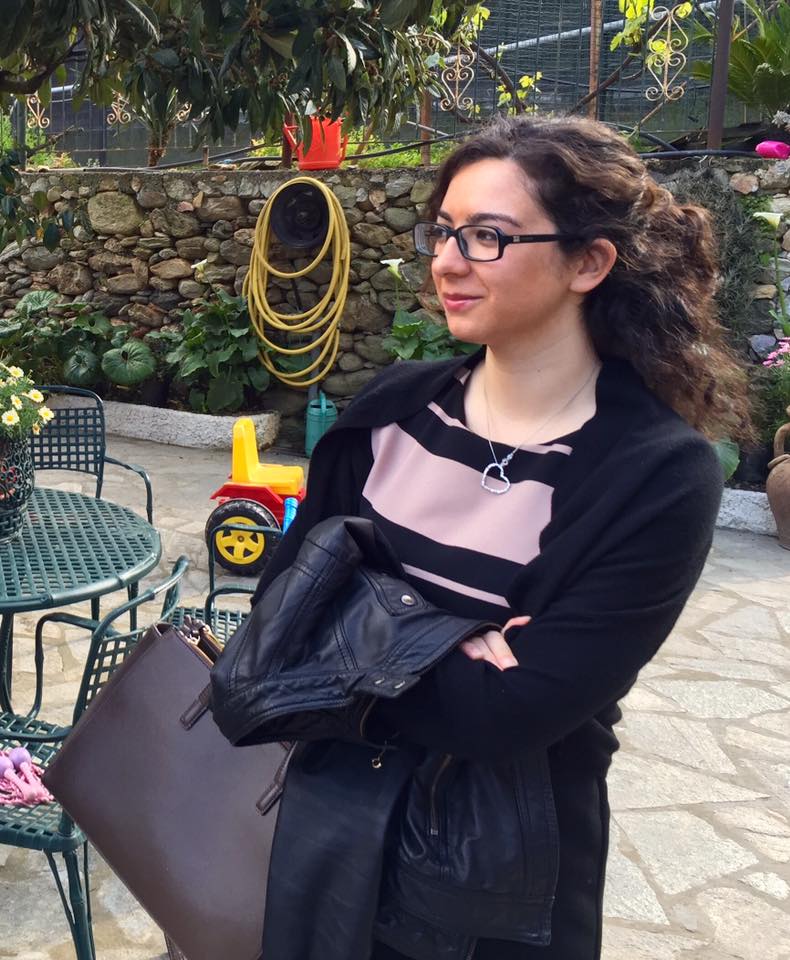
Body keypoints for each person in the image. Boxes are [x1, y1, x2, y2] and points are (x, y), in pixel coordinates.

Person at [248, 115, 749, 960]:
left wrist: (358, 632)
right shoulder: (390, 414)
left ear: (588, 263)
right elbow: (279, 617)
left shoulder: (657, 474)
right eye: (444, 231)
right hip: (326, 830)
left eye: (488, 236)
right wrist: (447, 645)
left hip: (499, 877)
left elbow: (508, 714)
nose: (447, 261)